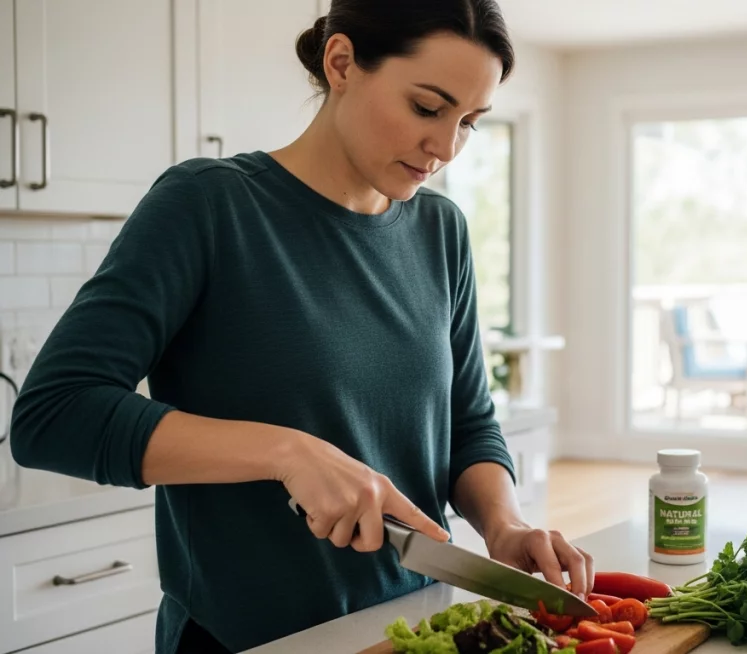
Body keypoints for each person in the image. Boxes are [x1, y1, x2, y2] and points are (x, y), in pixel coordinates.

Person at [10, 2, 593, 652]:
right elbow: (52, 416)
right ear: (341, 63)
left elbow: (468, 422)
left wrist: (503, 526)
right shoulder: (208, 206)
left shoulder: (441, 232)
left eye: (469, 123)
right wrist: (288, 452)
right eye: (428, 108)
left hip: (416, 629)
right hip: (244, 640)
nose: (447, 147)